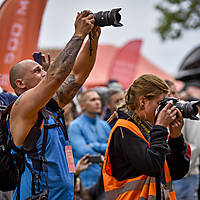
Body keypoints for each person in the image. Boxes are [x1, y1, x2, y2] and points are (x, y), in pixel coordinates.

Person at [8, 10, 101, 200]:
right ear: (20, 83)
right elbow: (56, 77)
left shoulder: (50, 106)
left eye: (43, 70)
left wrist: (93, 38)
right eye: (37, 71)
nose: (43, 73)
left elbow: (78, 75)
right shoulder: (22, 106)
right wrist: (79, 34)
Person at [103, 74, 190, 200]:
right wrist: (160, 127)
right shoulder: (124, 129)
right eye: (160, 103)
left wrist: (176, 137)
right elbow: (153, 166)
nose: (164, 108)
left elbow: (177, 172)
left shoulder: (148, 129)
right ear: (142, 101)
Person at [68, 89, 111, 188]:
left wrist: (92, 145)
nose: (97, 102)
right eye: (92, 100)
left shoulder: (105, 125)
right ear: (82, 105)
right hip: (85, 182)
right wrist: (103, 153)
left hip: (105, 181)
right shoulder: (75, 126)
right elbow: (83, 152)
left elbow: (113, 149)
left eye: (98, 99)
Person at [168, 80, 200, 200]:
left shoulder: (187, 111)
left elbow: (195, 146)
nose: (173, 97)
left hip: (186, 177)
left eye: (175, 92)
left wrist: (182, 171)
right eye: (169, 93)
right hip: (170, 178)